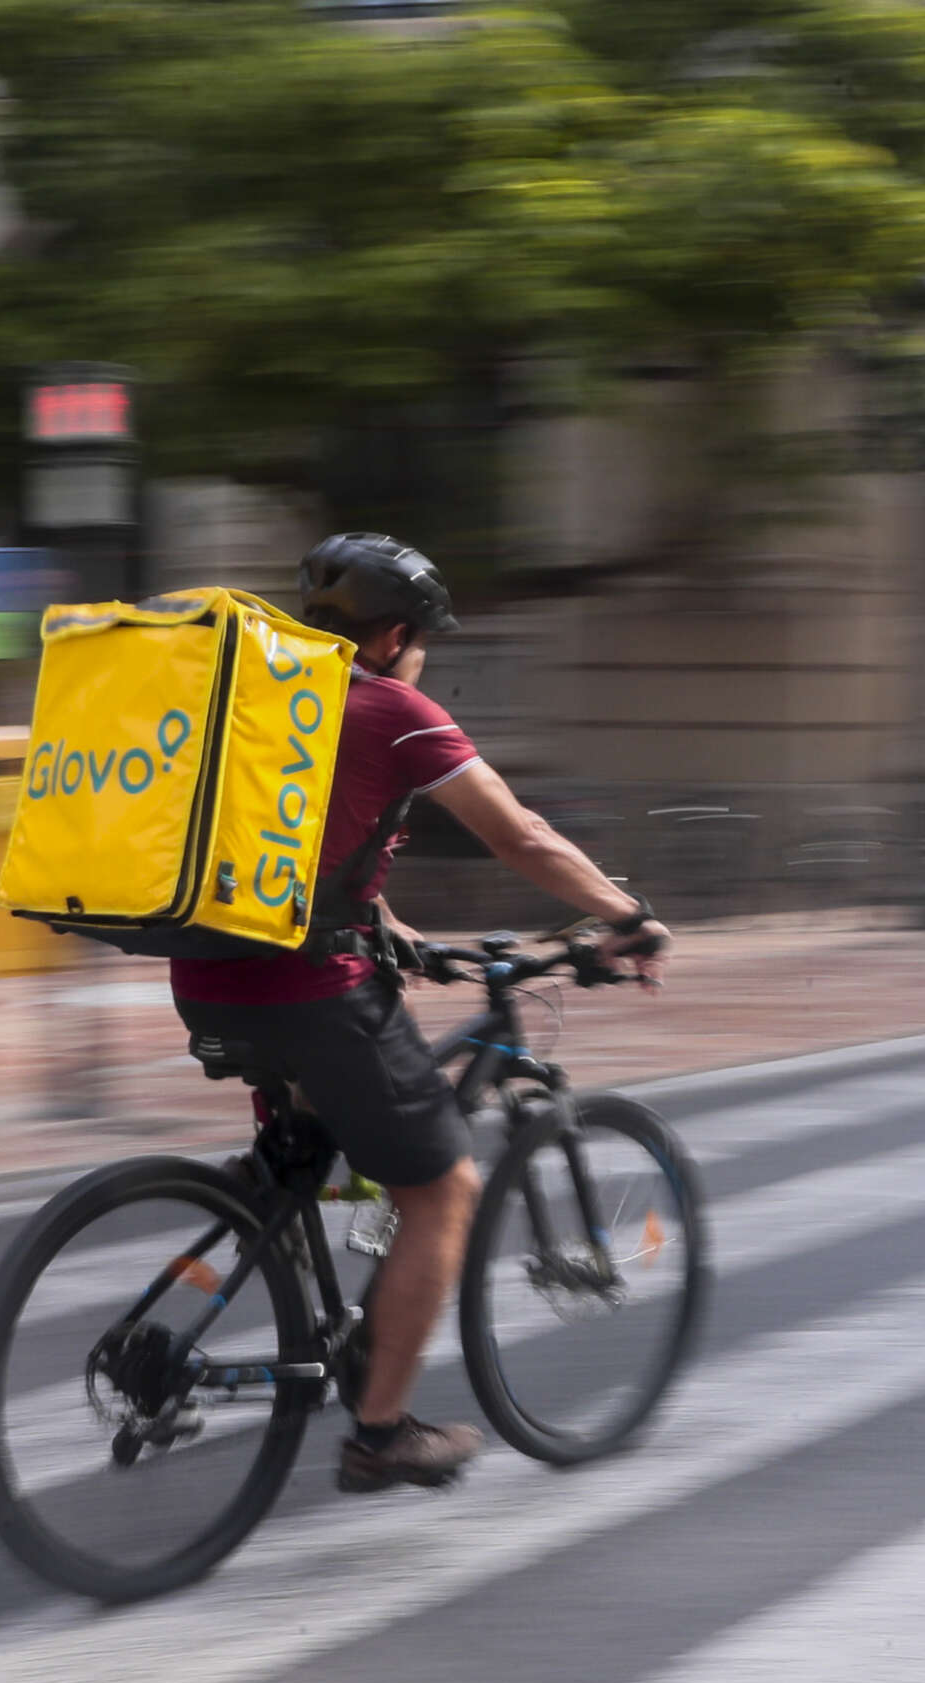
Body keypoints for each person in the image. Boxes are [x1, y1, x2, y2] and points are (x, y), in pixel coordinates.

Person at [170, 533, 672, 1494]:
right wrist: (627, 916)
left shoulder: (264, 701)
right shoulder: (393, 708)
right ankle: (382, 1430)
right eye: (424, 636)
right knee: (442, 1190)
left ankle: (284, 1222)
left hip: (207, 980)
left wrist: (388, 924)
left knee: (329, 1154)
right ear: (395, 634)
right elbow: (519, 834)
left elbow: (298, 840)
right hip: (310, 997)